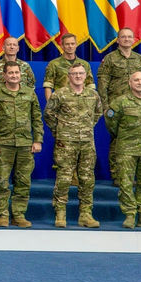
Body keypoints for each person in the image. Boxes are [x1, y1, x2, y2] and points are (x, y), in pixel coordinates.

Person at [44, 61, 104, 228]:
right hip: (66, 143)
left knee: (87, 179)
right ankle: (60, 213)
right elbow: (49, 114)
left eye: (81, 73)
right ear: (69, 76)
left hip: (87, 143)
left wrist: (86, 128)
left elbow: (98, 113)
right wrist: (60, 131)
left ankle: (85, 214)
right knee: (64, 178)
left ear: (85, 76)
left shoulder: (93, 95)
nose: (78, 76)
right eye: (74, 73)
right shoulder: (60, 94)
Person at [0, 61, 43, 227]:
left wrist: (38, 140)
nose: (14, 76)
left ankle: (19, 215)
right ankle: (3, 214)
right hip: (3, 144)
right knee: (2, 182)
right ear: (4, 75)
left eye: (17, 73)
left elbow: (37, 118)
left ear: (21, 74)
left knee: (23, 182)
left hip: (25, 143)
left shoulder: (30, 93)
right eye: (10, 73)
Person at [105, 70, 141, 229]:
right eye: (136, 80)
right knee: (125, 183)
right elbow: (111, 123)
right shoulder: (120, 102)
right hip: (127, 150)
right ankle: (130, 215)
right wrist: (124, 136)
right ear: (130, 83)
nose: (139, 82)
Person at [97, 27, 141, 179]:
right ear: (118, 40)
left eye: (129, 37)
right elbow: (103, 84)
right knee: (117, 141)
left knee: (138, 140)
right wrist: (105, 106)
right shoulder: (110, 58)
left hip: (138, 106)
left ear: (134, 40)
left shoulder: (140, 59)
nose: (126, 39)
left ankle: (134, 175)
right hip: (117, 107)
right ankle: (117, 175)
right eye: (123, 37)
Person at [43, 32, 94, 100]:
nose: (70, 46)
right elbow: (48, 86)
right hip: (61, 102)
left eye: (72, 44)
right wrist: (50, 104)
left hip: (82, 102)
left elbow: (90, 85)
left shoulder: (85, 64)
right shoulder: (53, 64)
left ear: (76, 45)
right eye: (67, 44)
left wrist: (91, 102)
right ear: (62, 46)